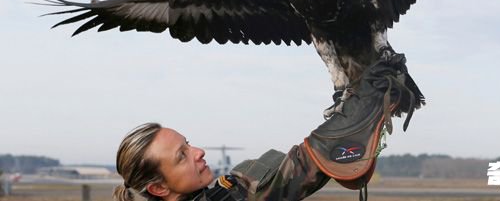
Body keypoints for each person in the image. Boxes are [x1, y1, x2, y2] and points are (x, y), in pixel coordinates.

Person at [113, 53, 423, 201]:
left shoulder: (226, 192)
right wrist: (366, 102)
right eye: (181, 155)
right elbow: (297, 174)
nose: (198, 152)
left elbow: (293, 166)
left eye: (188, 143)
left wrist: (350, 109)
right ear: (158, 188)